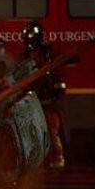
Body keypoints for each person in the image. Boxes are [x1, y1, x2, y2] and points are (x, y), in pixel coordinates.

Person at [21, 21, 66, 169]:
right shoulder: (26, 55)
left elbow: (57, 74)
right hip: (33, 99)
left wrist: (57, 91)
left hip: (47, 99)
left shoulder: (48, 54)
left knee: (51, 130)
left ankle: (58, 159)